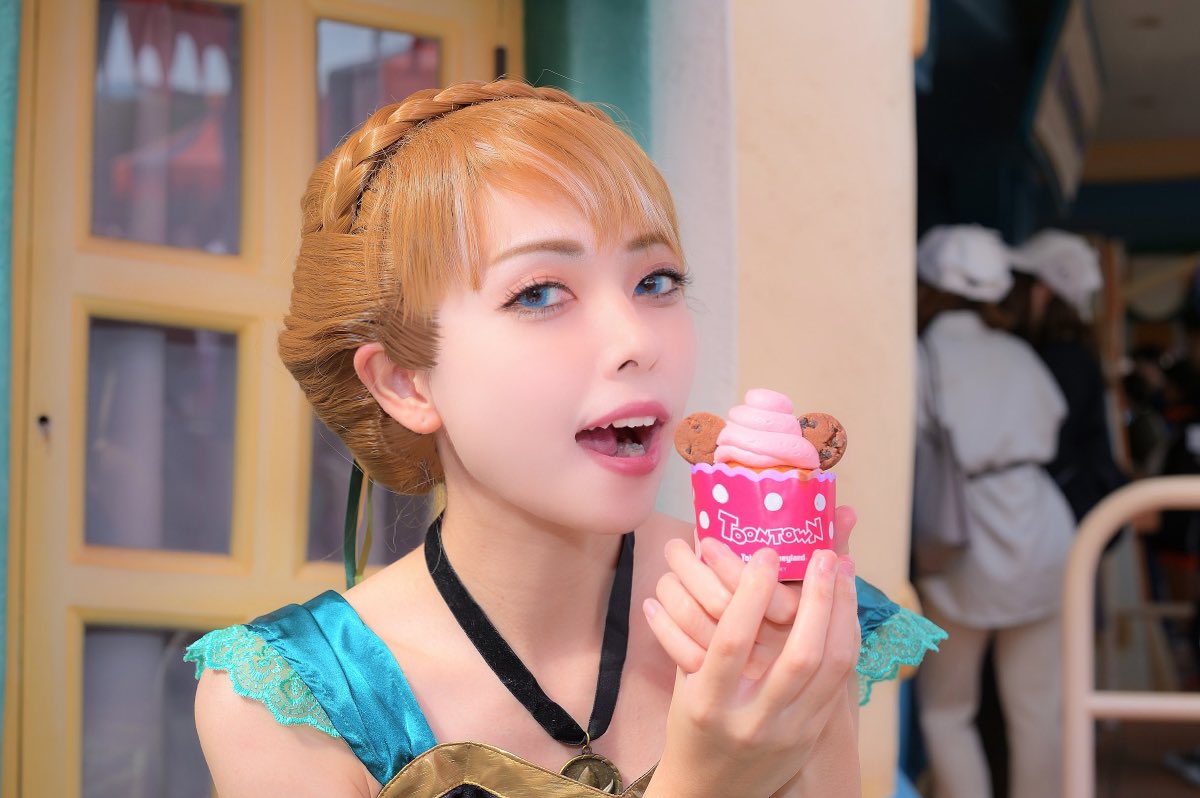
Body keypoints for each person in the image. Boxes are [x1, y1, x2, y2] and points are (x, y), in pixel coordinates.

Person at [184, 79, 943, 798]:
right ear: (405, 382)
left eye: (656, 282)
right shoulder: (295, 705)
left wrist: (809, 705)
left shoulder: (777, 615)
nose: (635, 339)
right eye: (540, 293)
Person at [912, 225, 1076, 798]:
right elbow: (1055, 419)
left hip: (964, 528)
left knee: (946, 709)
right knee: (1039, 706)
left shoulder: (921, 357)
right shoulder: (1018, 352)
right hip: (1041, 519)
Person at [1003, 229, 1127, 523]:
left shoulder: (1063, 357)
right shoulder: (1070, 350)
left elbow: (1050, 441)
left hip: (1068, 510)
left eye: (1021, 285)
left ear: (1044, 291)